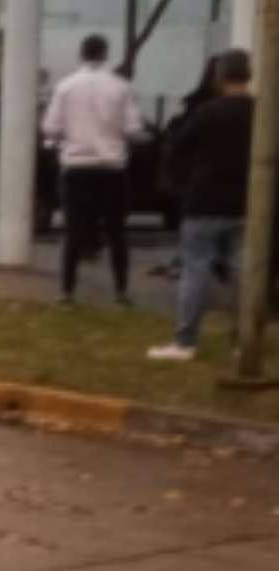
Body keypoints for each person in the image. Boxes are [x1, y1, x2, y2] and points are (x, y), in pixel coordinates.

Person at [147, 49, 254, 362]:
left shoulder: (208, 113)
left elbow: (179, 148)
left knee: (196, 270)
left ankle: (186, 341)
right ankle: (242, 339)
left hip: (205, 200)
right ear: (248, 74)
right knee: (242, 272)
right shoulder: (260, 112)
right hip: (244, 202)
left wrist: (182, 180)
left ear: (219, 76)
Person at [43, 34, 144, 305]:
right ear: (105, 54)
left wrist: (65, 139)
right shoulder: (121, 87)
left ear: (81, 53)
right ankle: (121, 291)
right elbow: (133, 129)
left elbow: (51, 127)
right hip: (112, 166)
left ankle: (67, 291)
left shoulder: (65, 87)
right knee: (116, 232)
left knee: (74, 232)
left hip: (76, 166)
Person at [148, 55, 223, 278]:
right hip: (209, 173)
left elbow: (182, 143)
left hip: (198, 174)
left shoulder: (196, 103)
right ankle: (207, 261)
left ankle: (186, 260)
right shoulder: (206, 106)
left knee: (196, 224)